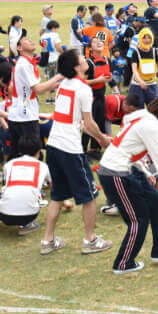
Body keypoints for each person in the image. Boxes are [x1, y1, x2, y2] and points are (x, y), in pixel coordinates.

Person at [98, 89, 158, 274]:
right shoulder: (151, 125)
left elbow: (128, 147)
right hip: (115, 174)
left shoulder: (144, 116)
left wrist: (145, 171)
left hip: (129, 169)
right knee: (138, 219)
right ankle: (123, 263)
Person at [41, 49, 112, 256]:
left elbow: (67, 117)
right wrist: (102, 138)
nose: (84, 60)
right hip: (70, 149)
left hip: (53, 146)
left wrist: (85, 127)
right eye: (81, 59)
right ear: (76, 67)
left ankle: (48, 240)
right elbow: (89, 124)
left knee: (57, 196)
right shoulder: (83, 89)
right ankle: (90, 240)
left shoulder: (63, 85)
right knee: (89, 195)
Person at [0, 135, 48, 235]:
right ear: (39, 152)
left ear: (19, 151)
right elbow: (51, 185)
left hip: (4, 215)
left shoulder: (9, 164)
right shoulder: (43, 166)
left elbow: (5, 184)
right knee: (35, 200)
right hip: (29, 215)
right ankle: (25, 225)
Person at [9, 36, 63, 158]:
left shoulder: (26, 63)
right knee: (32, 152)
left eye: (30, 39)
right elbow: (37, 89)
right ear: (19, 48)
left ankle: (12, 174)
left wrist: (57, 84)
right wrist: (58, 77)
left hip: (19, 113)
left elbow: (35, 88)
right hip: (25, 115)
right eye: (26, 40)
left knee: (17, 151)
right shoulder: (24, 64)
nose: (31, 40)